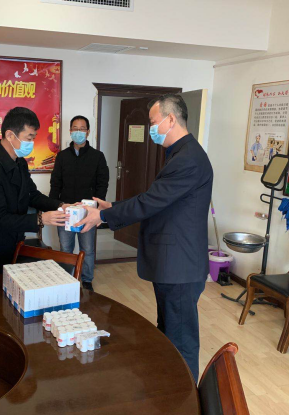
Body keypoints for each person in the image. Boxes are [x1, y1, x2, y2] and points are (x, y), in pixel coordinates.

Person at [75, 94, 213, 382]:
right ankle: (168, 387)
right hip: (172, 263)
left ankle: (186, 394)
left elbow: (151, 201)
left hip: (180, 265)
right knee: (169, 332)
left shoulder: (188, 158)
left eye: (153, 122)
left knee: (181, 340)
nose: (151, 128)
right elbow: (156, 199)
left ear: (170, 119)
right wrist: (113, 207)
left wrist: (103, 216)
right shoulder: (179, 153)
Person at [0, 107, 69, 274]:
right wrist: (40, 219)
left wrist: (60, 205)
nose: (31, 143)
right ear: (10, 135)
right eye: (28, 138)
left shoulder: (20, 162)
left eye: (33, 138)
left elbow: (32, 195)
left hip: (15, 246)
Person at [49, 115, 109, 291]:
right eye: (75, 128)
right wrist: (55, 205)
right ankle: (66, 280)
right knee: (65, 247)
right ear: (70, 131)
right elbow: (55, 183)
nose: (78, 132)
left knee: (87, 248)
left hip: (87, 211)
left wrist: (95, 207)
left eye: (82, 129)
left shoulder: (97, 156)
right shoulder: (62, 156)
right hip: (66, 209)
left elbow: (102, 183)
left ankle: (87, 280)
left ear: (88, 132)